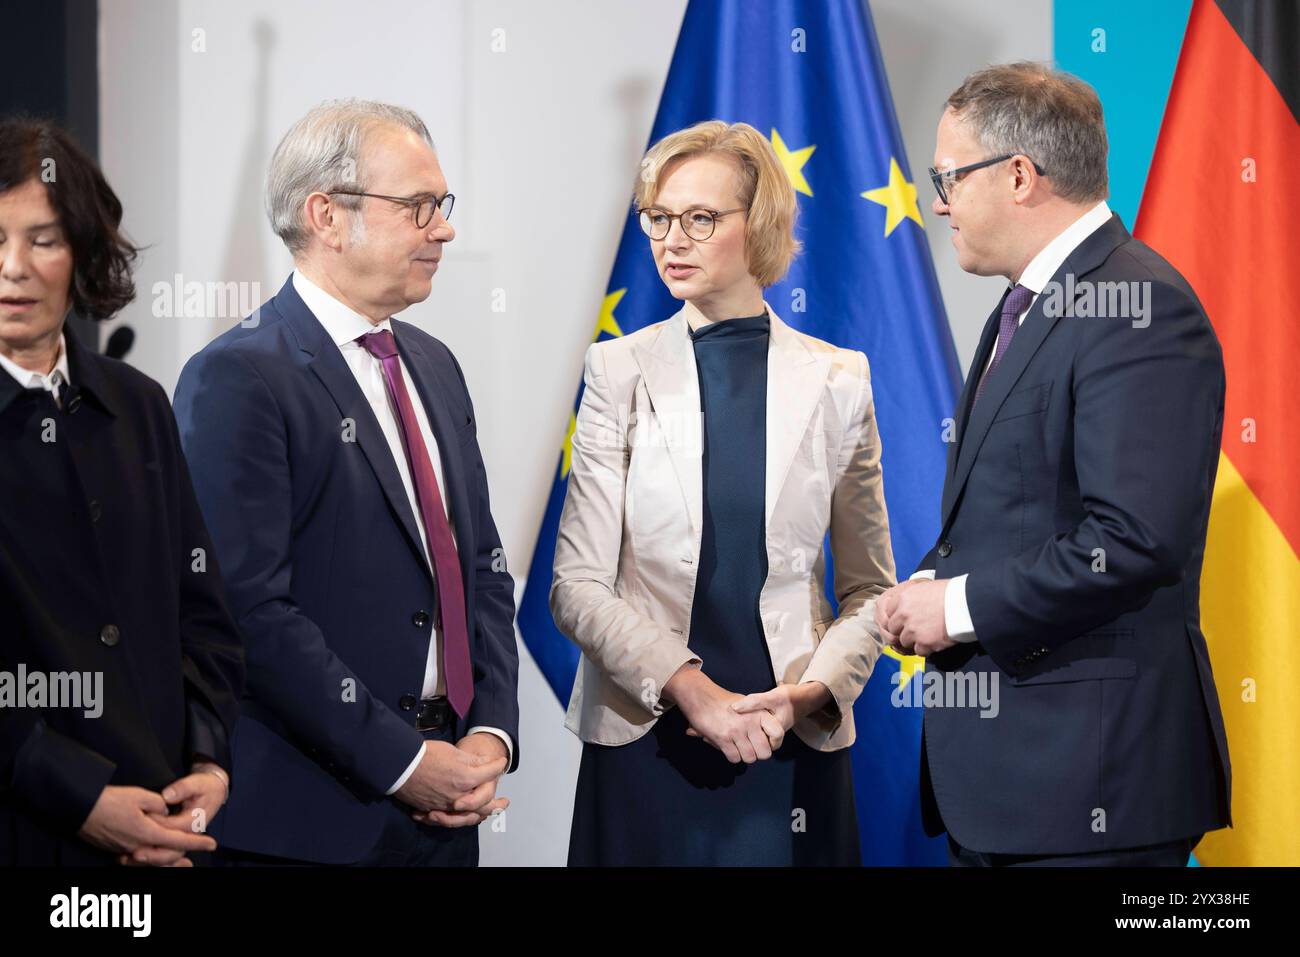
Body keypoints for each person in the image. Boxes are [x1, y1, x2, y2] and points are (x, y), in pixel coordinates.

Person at [877, 62, 1232, 866]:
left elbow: (1136, 536)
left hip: (1090, 790)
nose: (939, 204)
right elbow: (1022, 509)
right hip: (1015, 792)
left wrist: (957, 607)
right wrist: (927, 588)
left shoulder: (1137, 305)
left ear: (1018, 175)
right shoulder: (1027, 306)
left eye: (948, 178)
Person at [173, 100, 519, 866]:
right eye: (419, 206)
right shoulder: (236, 377)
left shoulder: (434, 363)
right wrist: (404, 760)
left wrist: (490, 729)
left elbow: (482, 568)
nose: (445, 228)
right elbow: (250, 610)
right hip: (313, 820)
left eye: (443, 205)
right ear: (327, 215)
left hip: (450, 808)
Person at [552, 120, 895, 865]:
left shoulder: (840, 379)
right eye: (659, 217)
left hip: (787, 739)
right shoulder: (617, 371)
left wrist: (809, 694)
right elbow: (576, 586)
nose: (673, 238)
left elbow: (871, 590)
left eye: (700, 217)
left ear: (760, 223)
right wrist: (690, 688)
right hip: (648, 739)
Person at [0, 116, 244, 867]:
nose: (14, 267)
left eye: (43, 240)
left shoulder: (138, 405)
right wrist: (80, 797)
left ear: (83, 251)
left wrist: (207, 759)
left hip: (169, 828)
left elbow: (201, 612)